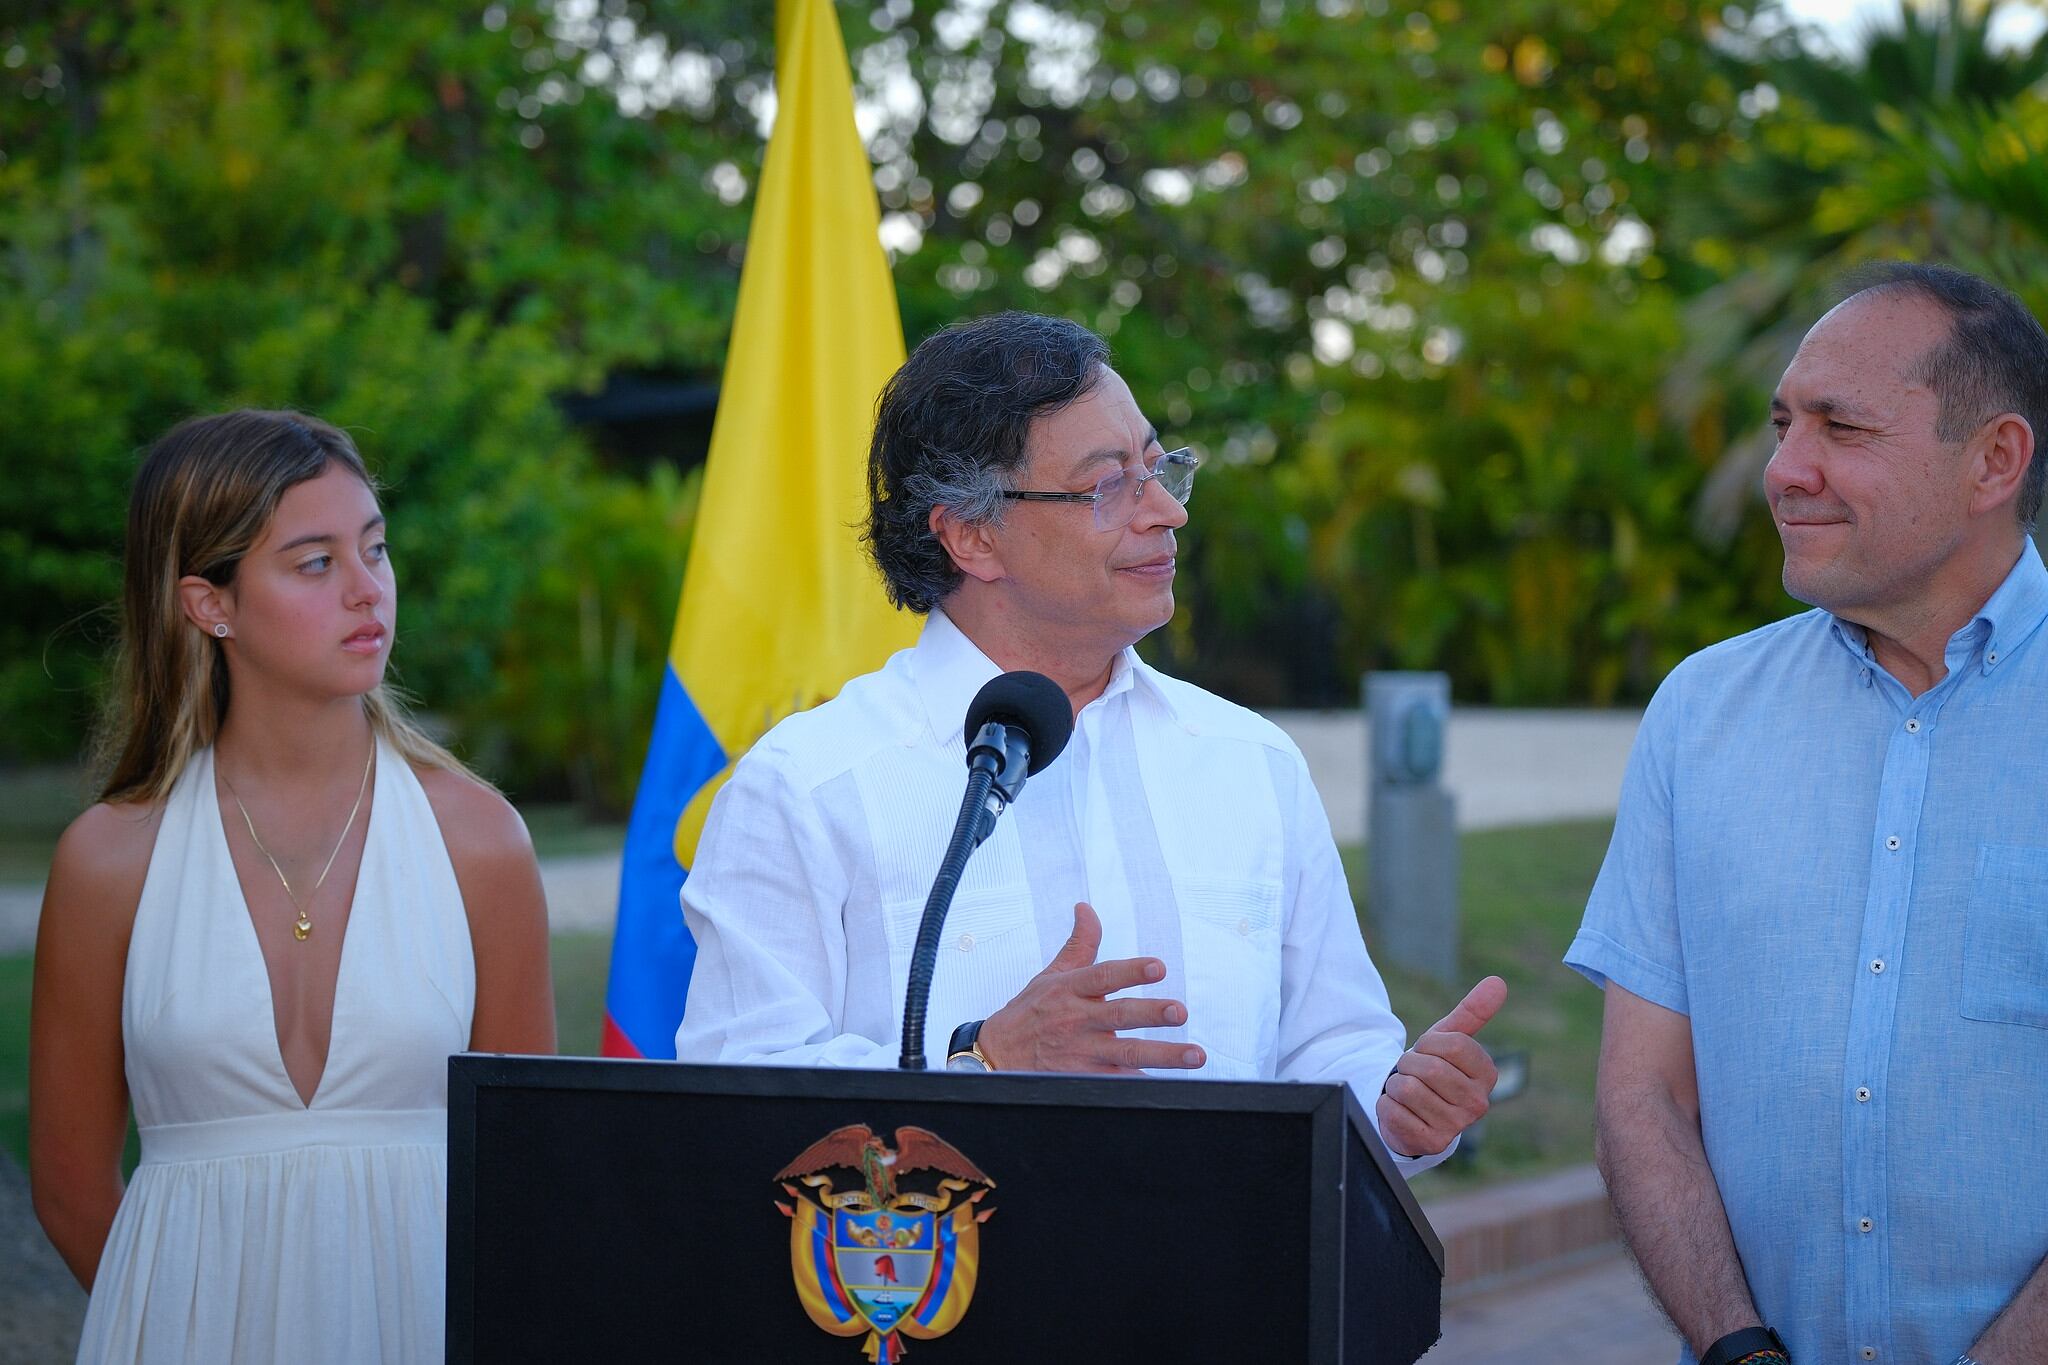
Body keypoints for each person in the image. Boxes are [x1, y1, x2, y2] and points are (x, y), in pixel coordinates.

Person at [674, 311, 1503, 1172]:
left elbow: (1329, 1050)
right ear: (972, 533)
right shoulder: (807, 786)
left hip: (1225, 1285)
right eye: (1110, 485)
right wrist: (981, 1063)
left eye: (1159, 466)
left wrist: (1395, 1111)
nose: (1168, 511)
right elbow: (738, 1099)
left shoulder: (1249, 762)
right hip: (942, 1298)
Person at [1567, 263, 2048, 1365]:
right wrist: (1737, 1350)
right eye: (1783, 422)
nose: (1784, 469)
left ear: (1991, 460)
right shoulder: (1700, 712)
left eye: (1840, 427)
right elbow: (1641, 1100)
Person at [29, 411, 557, 1364]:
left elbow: (530, 1169)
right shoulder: (109, 861)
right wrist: (178, 1323)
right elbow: (68, 1183)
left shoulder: (480, 842)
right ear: (209, 603)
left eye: (376, 549)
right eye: (315, 563)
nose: (369, 591)